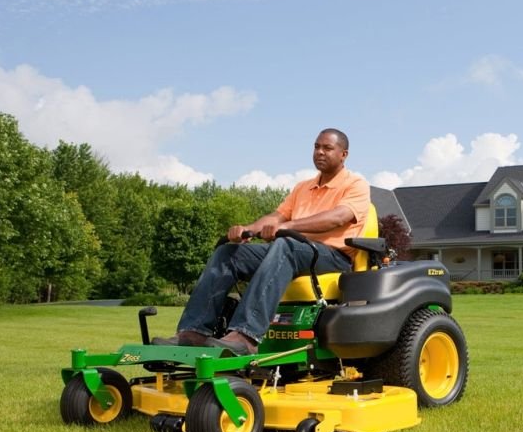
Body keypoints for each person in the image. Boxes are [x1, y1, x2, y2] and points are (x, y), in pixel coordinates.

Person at [154, 128, 370, 354]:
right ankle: (194, 332)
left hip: (332, 257)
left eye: (327, 148)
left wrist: (287, 227)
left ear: (343, 154)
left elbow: (338, 217)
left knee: (285, 245)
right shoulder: (302, 188)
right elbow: (276, 217)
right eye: (316, 147)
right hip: (294, 250)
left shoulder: (355, 184)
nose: (320, 152)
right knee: (229, 253)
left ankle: (245, 335)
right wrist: (248, 230)